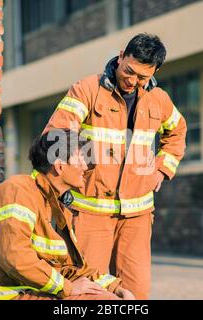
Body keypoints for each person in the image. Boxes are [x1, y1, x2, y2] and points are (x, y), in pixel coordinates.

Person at [43, 33, 187, 299]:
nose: (132, 81)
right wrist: (73, 169)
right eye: (129, 71)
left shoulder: (159, 99)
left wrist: (163, 168)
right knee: (89, 290)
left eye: (142, 78)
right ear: (121, 56)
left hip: (138, 216)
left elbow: (177, 131)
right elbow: (56, 136)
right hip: (89, 213)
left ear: (154, 73)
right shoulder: (86, 89)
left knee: (136, 293)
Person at [0, 129, 135, 300]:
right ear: (60, 166)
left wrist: (114, 287)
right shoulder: (17, 190)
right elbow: (15, 258)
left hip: (32, 291)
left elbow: (71, 267)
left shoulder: (56, 205)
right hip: (7, 296)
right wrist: (67, 287)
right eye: (79, 159)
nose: (85, 166)